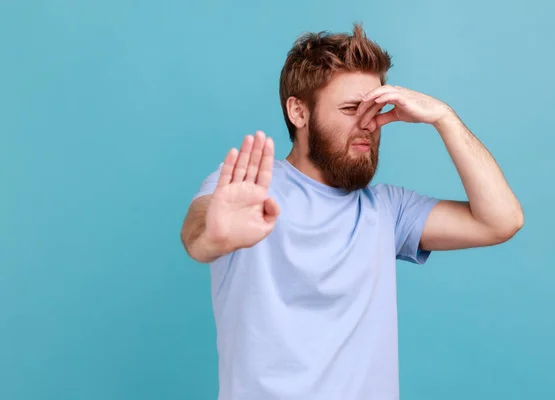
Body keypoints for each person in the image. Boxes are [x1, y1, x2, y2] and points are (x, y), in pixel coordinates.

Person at [180, 23, 523, 400]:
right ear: (298, 111)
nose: (368, 125)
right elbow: (198, 232)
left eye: (375, 109)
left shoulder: (388, 210)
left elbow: (501, 221)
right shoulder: (248, 189)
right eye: (349, 109)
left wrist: (444, 118)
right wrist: (212, 235)